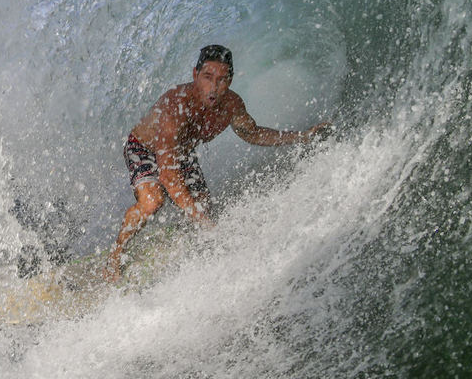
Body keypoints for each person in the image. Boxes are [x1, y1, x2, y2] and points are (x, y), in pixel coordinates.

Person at [104, 44, 331, 282]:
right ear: (195, 75)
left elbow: (252, 133)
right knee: (153, 201)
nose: (213, 87)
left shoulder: (231, 105)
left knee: (202, 206)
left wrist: (302, 137)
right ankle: (115, 255)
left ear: (230, 81)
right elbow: (169, 177)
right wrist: (204, 223)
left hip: (181, 153)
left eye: (222, 80)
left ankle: (189, 247)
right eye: (207, 77)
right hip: (145, 148)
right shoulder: (175, 107)